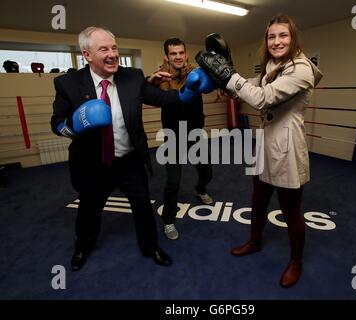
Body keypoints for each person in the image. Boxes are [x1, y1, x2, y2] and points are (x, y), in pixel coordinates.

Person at [51, 26, 213, 271]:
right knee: (89, 209)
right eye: (103, 49)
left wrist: (187, 92)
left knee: (143, 207)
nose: (112, 54)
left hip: (129, 160)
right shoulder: (68, 83)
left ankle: (151, 247)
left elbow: (161, 98)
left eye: (114, 48)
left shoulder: (133, 76)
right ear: (87, 55)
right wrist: (72, 126)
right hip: (92, 163)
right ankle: (83, 246)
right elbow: (57, 122)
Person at [196, 14, 323, 287]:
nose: (277, 41)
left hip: (288, 147)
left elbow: (263, 99)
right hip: (265, 143)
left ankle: (296, 261)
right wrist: (228, 78)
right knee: (258, 201)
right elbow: (253, 86)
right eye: (272, 36)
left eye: (283, 35)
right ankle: (254, 242)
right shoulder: (272, 65)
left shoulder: (301, 69)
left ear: (293, 38)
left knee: (290, 212)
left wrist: (228, 76)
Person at [155, 38, 213, 240]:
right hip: (172, 137)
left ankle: (200, 189)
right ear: (166, 56)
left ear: (186, 54)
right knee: (173, 181)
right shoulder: (160, 78)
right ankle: (169, 221)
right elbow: (151, 94)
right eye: (173, 53)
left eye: (181, 53)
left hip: (194, 135)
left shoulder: (197, 73)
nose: (178, 57)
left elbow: (216, 84)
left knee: (207, 172)